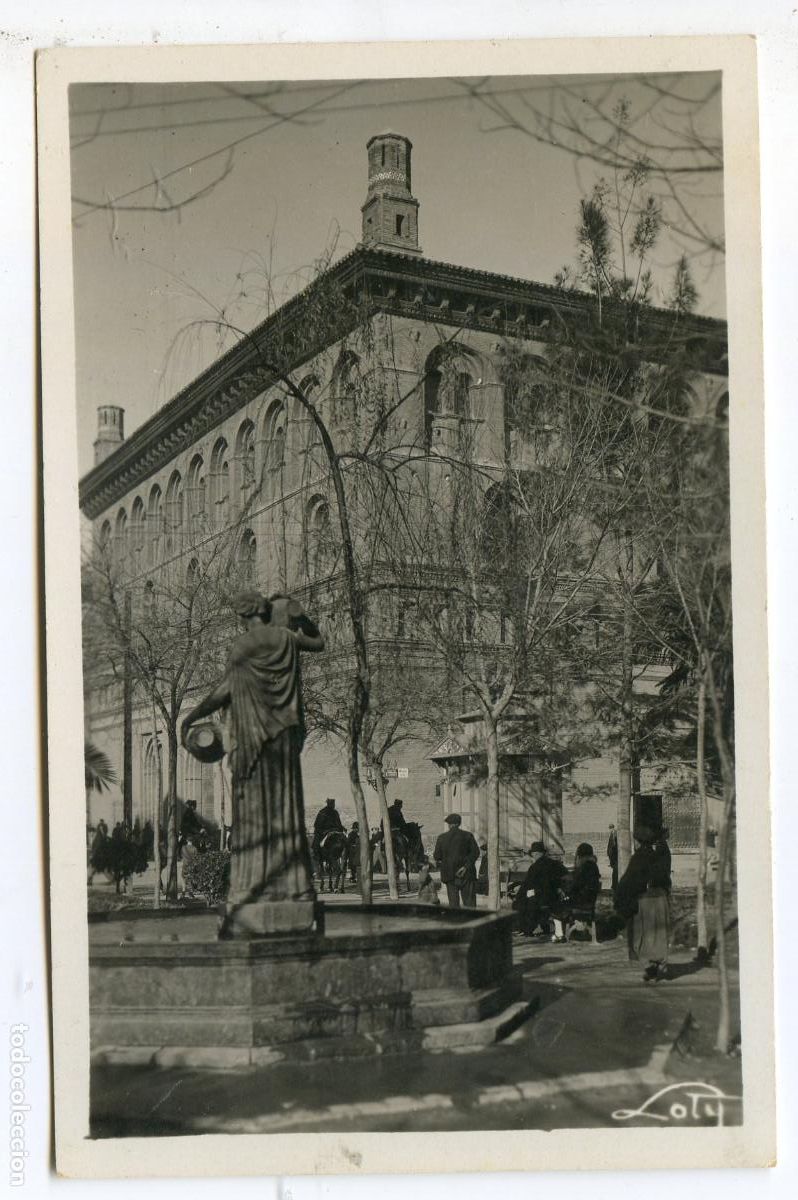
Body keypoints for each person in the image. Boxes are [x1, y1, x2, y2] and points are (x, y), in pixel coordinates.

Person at [180, 590, 324, 925]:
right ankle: (296, 887)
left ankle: (249, 888)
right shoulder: (288, 638)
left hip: (252, 743)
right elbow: (319, 642)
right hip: (284, 739)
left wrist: (190, 716)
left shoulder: (242, 647)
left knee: (253, 814)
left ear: (243, 616)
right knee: (286, 809)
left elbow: (224, 691)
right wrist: (299, 615)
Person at [614, 825, 672, 982]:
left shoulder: (639, 857)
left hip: (645, 901)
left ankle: (650, 965)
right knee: (657, 935)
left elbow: (629, 881)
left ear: (637, 842)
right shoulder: (659, 854)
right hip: (661, 899)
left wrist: (620, 897)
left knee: (642, 935)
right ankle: (658, 964)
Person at [513, 841, 567, 937]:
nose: (533, 856)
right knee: (528, 899)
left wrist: (519, 894)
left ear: (535, 854)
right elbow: (564, 873)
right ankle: (534, 928)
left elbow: (527, 884)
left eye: (533, 854)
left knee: (521, 901)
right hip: (553, 896)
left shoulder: (535, 866)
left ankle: (525, 929)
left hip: (540, 896)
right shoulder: (554, 863)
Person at [551, 843, 601, 942]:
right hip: (589, 900)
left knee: (555, 904)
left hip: (582, 902)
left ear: (580, 855)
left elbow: (576, 885)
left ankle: (559, 934)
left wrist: (565, 891)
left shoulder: (585, 867)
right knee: (563, 900)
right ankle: (565, 932)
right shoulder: (593, 866)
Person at [433, 813, 480, 908]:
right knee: (470, 904)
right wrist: (465, 867)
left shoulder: (442, 837)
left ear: (449, 824)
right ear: (459, 823)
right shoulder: (468, 836)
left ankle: (456, 921)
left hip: (450, 875)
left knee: (453, 905)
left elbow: (437, 856)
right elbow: (475, 853)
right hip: (466, 874)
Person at [313, 797, 345, 863]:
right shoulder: (332, 812)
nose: (333, 805)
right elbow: (339, 823)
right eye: (332, 803)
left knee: (316, 844)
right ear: (329, 803)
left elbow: (317, 824)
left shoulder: (322, 812)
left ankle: (316, 855)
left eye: (333, 803)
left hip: (326, 831)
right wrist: (341, 828)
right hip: (334, 831)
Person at [607, 824, 619, 894]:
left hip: (614, 857)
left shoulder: (614, 833)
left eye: (610, 828)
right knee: (615, 871)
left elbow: (613, 846)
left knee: (615, 871)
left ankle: (614, 886)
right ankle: (614, 885)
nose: (609, 830)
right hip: (613, 856)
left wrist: (611, 857)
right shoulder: (613, 833)